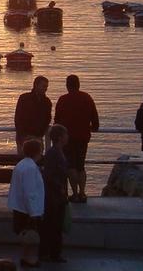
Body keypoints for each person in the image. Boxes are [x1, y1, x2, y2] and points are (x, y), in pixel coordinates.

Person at [53, 74, 98, 203]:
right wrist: (92, 127)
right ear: (79, 84)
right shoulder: (87, 98)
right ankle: (83, 193)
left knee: (71, 166)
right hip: (83, 137)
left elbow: (57, 120)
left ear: (67, 85)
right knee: (81, 166)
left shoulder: (63, 100)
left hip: (67, 138)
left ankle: (75, 193)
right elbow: (95, 119)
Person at [6, 138, 45, 268]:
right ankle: (30, 259)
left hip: (20, 206)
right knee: (31, 236)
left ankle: (25, 257)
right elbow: (30, 192)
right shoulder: (31, 168)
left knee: (24, 235)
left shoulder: (22, 165)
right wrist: (34, 212)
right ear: (37, 152)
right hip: (28, 208)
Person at [39, 125, 69, 264]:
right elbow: (49, 175)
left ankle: (52, 252)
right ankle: (51, 253)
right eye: (65, 134)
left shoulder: (57, 152)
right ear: (59, 137)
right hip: (54, 196)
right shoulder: (53, 154)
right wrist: (60, 188)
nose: (67, 137)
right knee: (53, 224)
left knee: (54, 224)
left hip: (57, 195)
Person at [14, 76, 52, 154]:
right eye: (44, 86)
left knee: (35, 161)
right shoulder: (24, 98)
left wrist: (39, 134)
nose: (45, 89)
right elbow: (18, 118)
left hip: (37, 136)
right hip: (24, 137)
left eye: (46, 86)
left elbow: (48, 119)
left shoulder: (47, 102)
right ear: (36, 85)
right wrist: (22, 135)